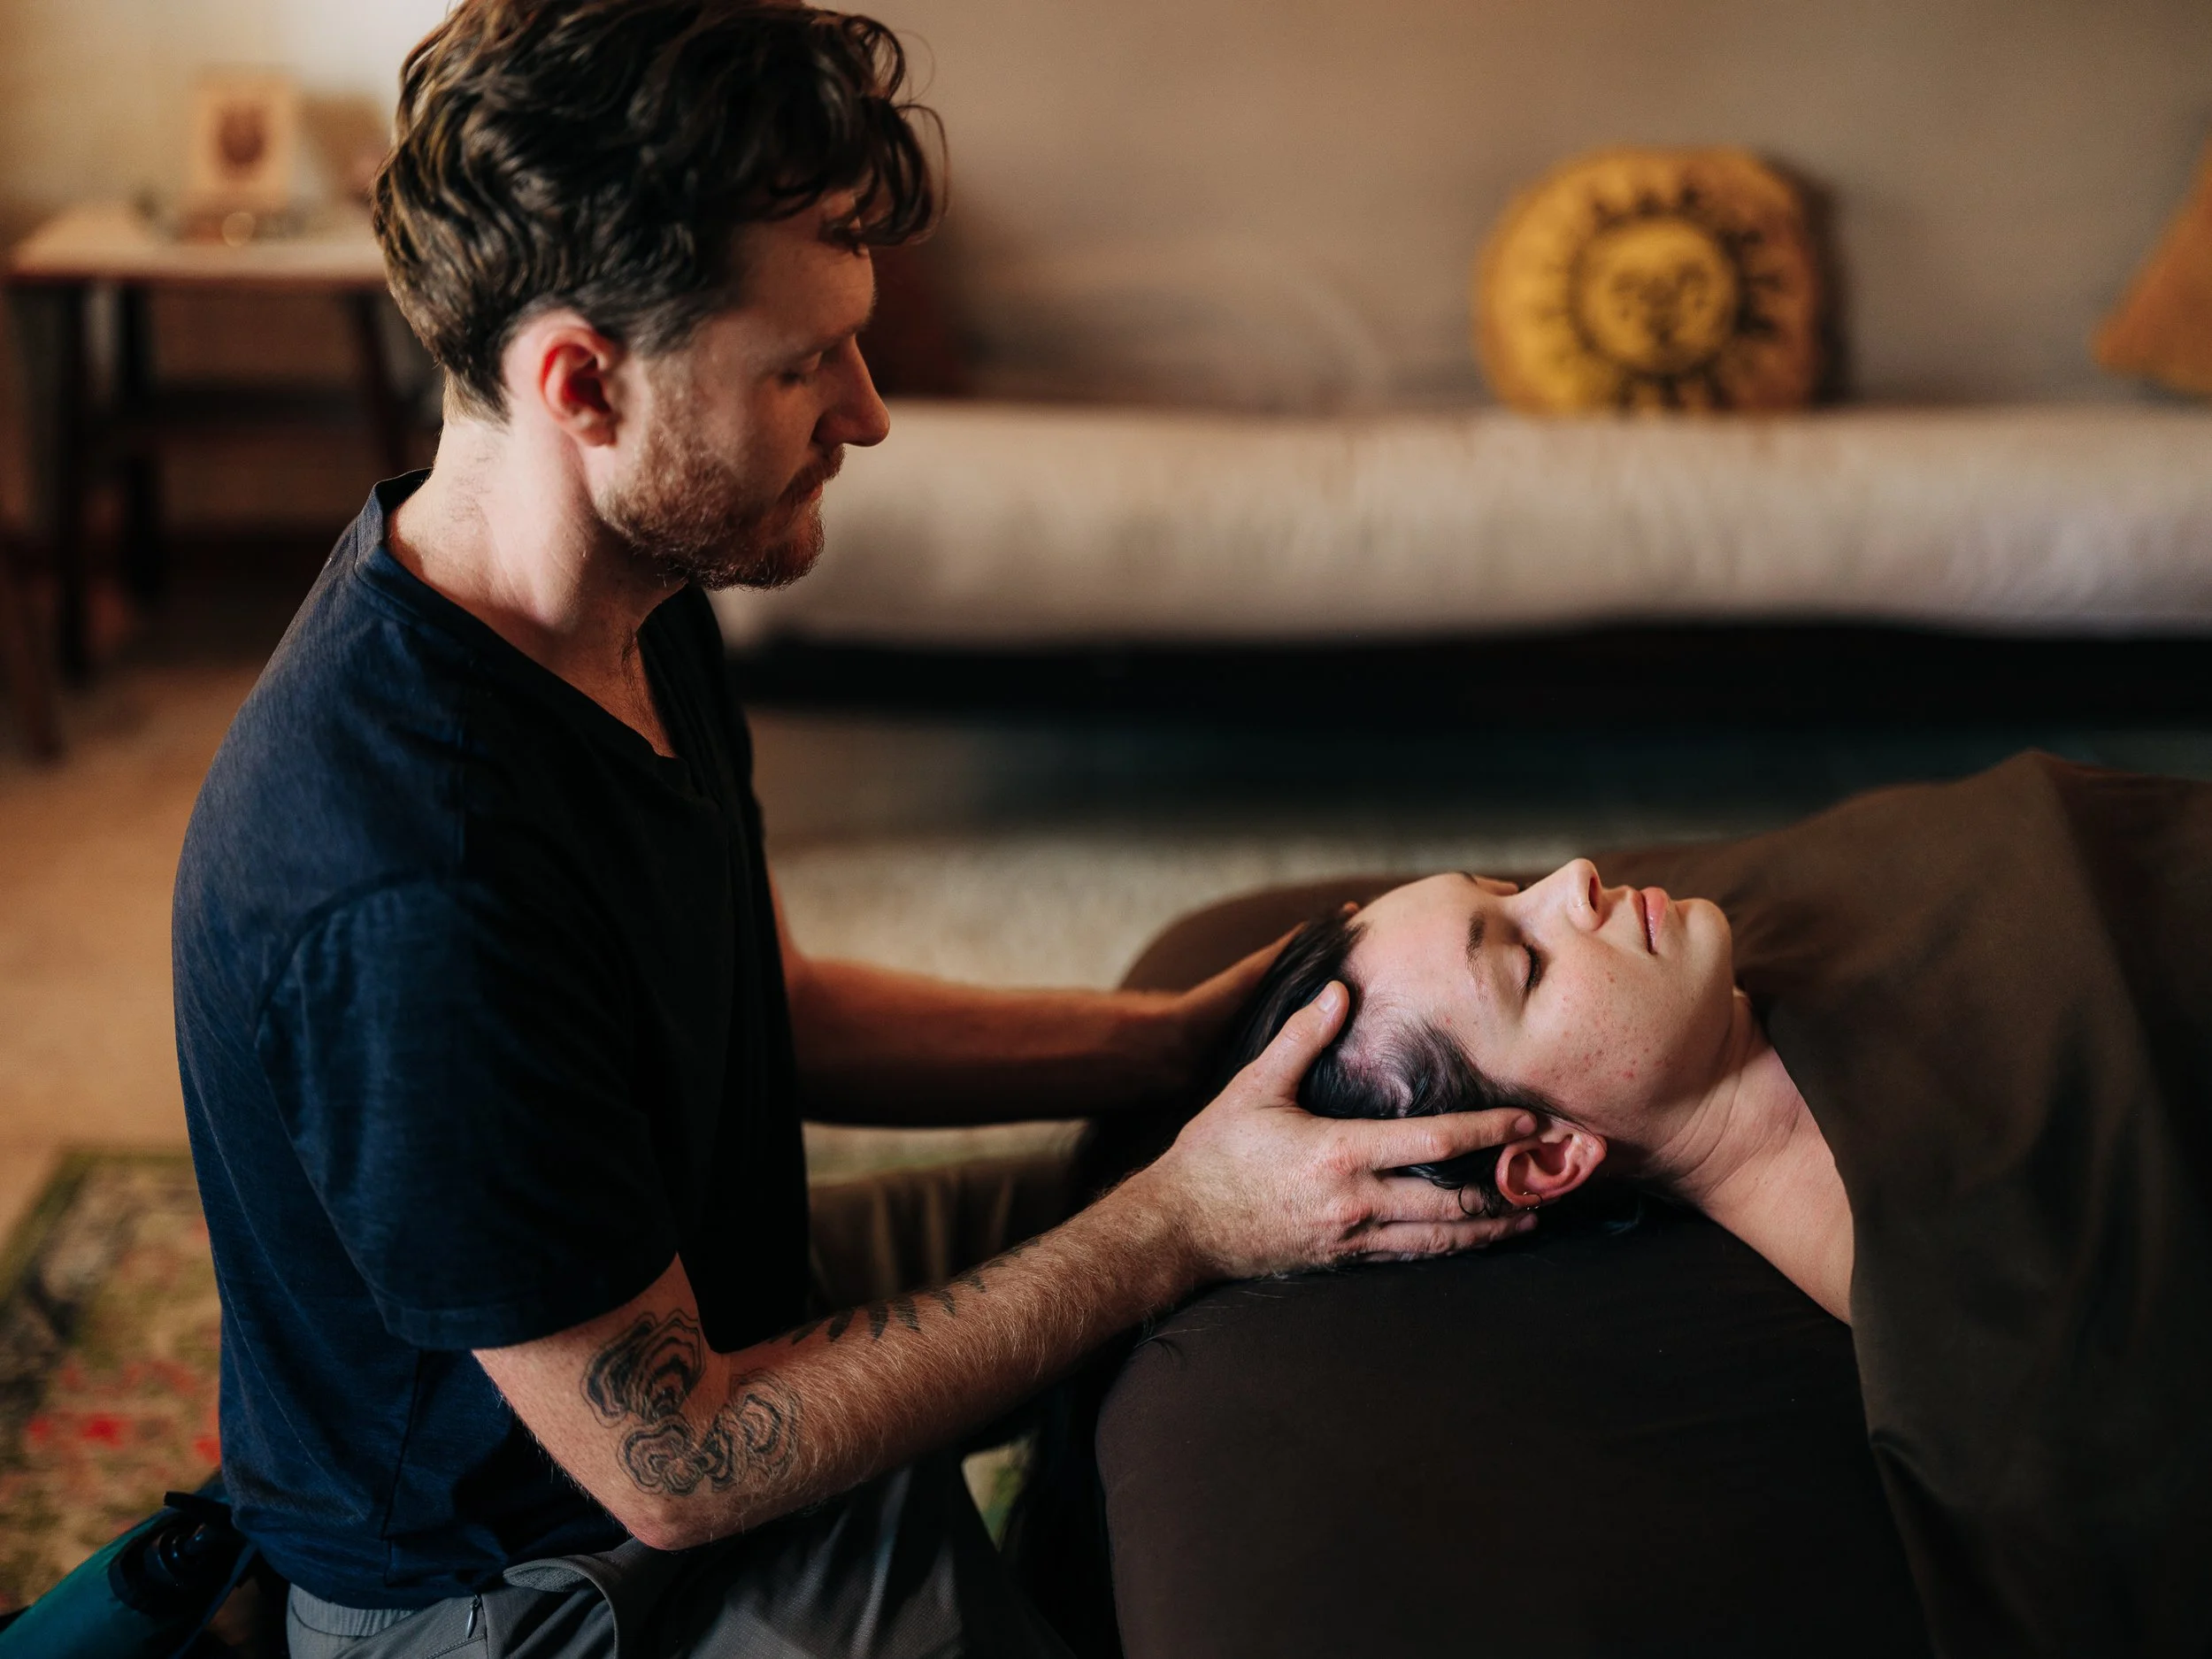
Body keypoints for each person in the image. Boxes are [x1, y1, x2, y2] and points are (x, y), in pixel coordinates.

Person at [167, 4, 1536, 1656]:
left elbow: (773, 1004)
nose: (872, 413)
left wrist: (1168, 1048)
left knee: (1263, 1218)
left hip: (710, 1329)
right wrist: (1186, 1216)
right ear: (581, 384)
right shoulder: (411, 882)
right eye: (806, 362)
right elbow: (670, 1456)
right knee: (1188, 1238)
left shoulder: (628, 594)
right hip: (542, 1578)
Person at [1227, 859, 1855, 1322]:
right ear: (1550, 1154)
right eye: (1527, 962)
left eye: (1514, 890)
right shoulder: (1900, 1254)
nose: (1575, 875)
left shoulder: (1809, 905)